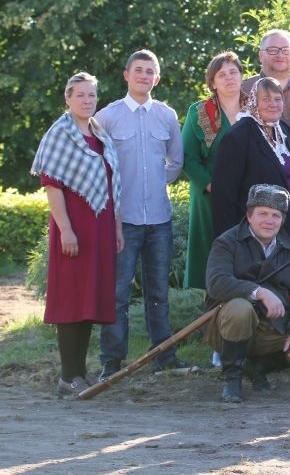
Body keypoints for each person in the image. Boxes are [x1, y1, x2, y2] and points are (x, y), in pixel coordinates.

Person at [92, 50, 190, 379]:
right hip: (122, 222)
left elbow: (175, 162)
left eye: (150, 71)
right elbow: (96, 165)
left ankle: (163, 356)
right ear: (127, 75)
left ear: (157, 79)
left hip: (159, 220)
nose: (144, 76)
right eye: (138, 71)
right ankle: (112, 360)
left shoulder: (166, 116)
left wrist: (153, 185)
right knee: (117, 292)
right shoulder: (107, 117)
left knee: (158, 292)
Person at [32, 73, 124, 395]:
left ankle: (80, 374)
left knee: (88, 301)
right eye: (81, 95)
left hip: (99, 229)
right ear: (68, 99)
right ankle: (67, 375)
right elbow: (52, 186)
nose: (87, 101)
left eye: (92, 95)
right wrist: (66, 231)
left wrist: (116, 228)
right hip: (73, 231)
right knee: (71, 301)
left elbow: (112, 189)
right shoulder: (60, 134)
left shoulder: (99, 135)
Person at [205, 184, 290, 402]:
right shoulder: (226, 242)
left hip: (273, 328)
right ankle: (232, 379)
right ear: (249, 216)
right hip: (227, 327)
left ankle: (256, 366)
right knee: (240, 308)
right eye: (262, 213)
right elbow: (217, 283)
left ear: (282, 220)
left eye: (276, 215)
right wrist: (258, 291)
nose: (269, 221)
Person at [212, 77, 290, 248]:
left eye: (277, 99)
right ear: (253, 102)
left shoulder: (285, 132)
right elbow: (224, 196)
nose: (273, 104)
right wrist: (231, 245)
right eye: (266, 99)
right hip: (257, 234)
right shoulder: (238, 136)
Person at [181, 52, 245, 290]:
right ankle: (207, 312)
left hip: (249, 195)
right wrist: (211, 186)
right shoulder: (197, 112)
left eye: (233, 72)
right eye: (221, 74)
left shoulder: (256, 108)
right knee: (211, 248)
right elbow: (188, 157)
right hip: (210, 194)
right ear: (212, 83)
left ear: (241, 76)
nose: (229, 78)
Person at [241, 29, 290, 127]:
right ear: (260, 55)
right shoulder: (243, 90)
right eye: (272, 50)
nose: (280, 55)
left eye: (286, 50)